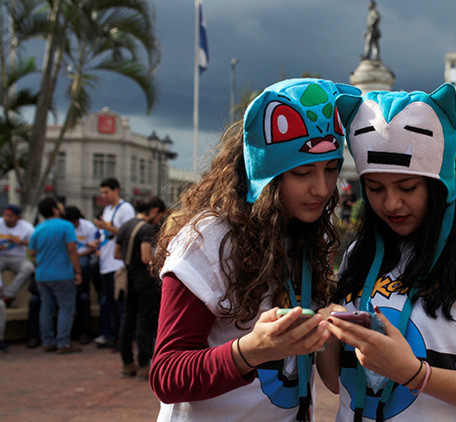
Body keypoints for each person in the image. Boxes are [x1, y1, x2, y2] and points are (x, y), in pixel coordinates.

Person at [323, 84, 456, 421]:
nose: (391, 204)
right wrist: (325, 327)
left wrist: (413, 373)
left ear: (442, 184)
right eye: (375, 188)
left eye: (408, 187)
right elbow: (337, 383)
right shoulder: (359, 254)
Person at [150, 79, 361, 421]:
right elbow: (167, 375)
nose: (322, 189)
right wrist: (250, 350)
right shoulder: (207, 239)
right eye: (302, 172)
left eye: (331, 169)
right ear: (266, 175)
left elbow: (328, 378)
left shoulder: (311, 235)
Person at [115, 196, 166, 380]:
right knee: (144, 322)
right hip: (144, 282)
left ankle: (127, 363)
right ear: (155, 211)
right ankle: (144, 364)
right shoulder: (145, 229)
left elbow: (116, 253)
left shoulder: (126, 226)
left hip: (128, 279)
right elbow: (146, 258)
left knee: (127, 320)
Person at [29, 197, 83, 354]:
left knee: (46, 308)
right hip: (63, 274)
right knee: (66, 308)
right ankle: (63, 343)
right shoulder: (66, 226)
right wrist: (78, 271)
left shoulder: (38, 229)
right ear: (54, 209)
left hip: (42, 275)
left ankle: (47, 341)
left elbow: (31, 252)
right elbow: (72, 249)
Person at [92, 178, 136, 348]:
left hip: (119, 264)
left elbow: (128, 232)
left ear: (116, 190)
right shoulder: (107, 210)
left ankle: (123, 339)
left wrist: (106, 227)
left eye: (106, 192)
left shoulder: (125, 209)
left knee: (120, 305)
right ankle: (112, 336)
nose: (103, 196)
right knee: (109, 302)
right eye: (102, 193)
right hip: (105, 263)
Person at [64, 206, 98, 344]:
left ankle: (83, 288)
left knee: (84, 265)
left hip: (82, 257)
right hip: (67, 262)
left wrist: (77, 256)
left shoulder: (88, 227)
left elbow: (93, 247)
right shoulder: (64, 227)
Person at [0, 204, 36, 307]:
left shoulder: (27, 227)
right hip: (1, 256)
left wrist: (20, 242)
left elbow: (35, 242)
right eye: (5, 215)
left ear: (18, 217)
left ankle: (8, 295)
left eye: (10, 216)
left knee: (29, 268)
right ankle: (7, 295)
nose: (6, 218)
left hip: (18, 257)